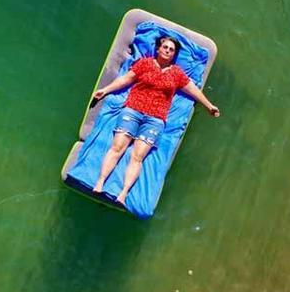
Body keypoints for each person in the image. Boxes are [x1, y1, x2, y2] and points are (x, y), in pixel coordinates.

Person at [91, 36, 220, 204]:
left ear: (174, 55)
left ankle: (123, 193)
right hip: (133, 110)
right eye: (165, 47)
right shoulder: (145, 63)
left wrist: (209, 106)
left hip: (155, 119)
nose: (167, 51)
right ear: (158, 49)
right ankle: (100, 182)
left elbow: (193, 90)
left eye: (171, 50)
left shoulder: (176, 73)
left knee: (137, 157)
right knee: (117, 148)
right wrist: (105, 90)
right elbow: (126, 79)